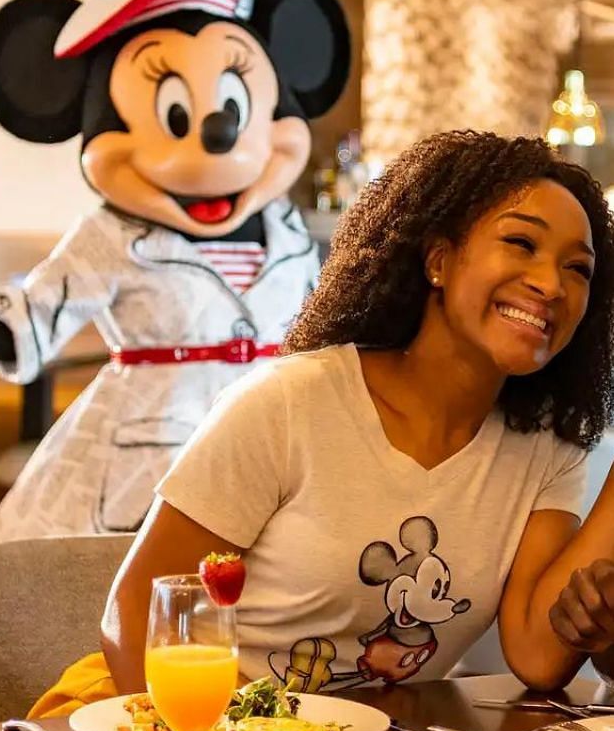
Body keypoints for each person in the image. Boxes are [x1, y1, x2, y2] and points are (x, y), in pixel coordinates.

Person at [0, 0, 350, 555]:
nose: (216, 140)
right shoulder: (108, 238)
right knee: (139, 608)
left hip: (277, 459)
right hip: (148, 463)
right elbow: (26, 326)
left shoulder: (292, 236)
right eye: (174, 114)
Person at [94, 129, 614, 701]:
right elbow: (137, 612)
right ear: (439, 260)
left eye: (578, 270)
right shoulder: (290, 403)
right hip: (181, 722)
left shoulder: (545, 448)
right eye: (521, 243)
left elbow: (538, 656)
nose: (550, 284)